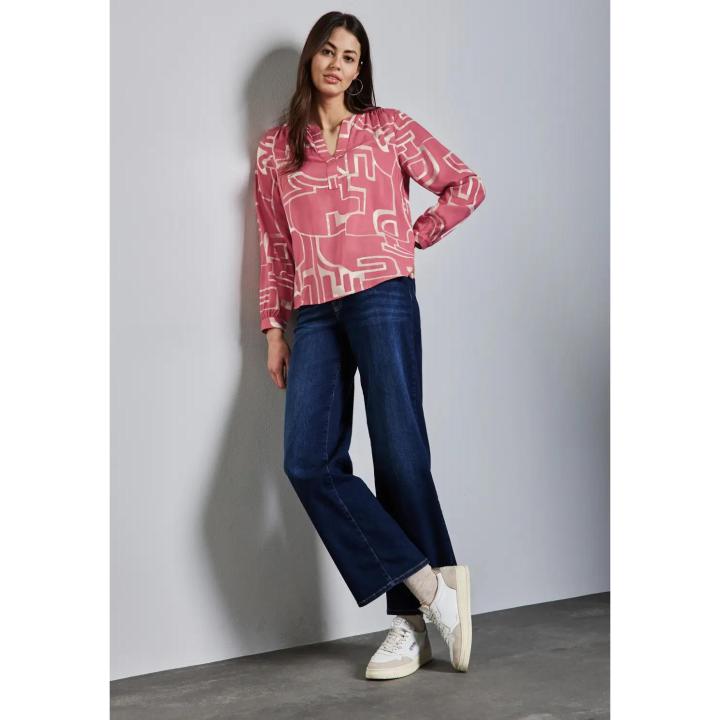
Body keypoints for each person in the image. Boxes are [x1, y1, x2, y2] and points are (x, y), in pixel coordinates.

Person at [253, 11, 486, 680]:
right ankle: (431, 586)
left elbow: (464, 185)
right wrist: (274, 327)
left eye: (350, 56)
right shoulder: (275, 150)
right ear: (311, 57)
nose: (337, 64)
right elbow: (273, 244)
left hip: (383, 294)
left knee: (399, 454)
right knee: (308, 461)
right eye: (328, 50)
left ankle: (408, 627)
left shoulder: (388, 128)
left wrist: (415, 234)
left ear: (360, 70)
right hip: (314, 312)